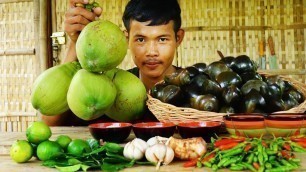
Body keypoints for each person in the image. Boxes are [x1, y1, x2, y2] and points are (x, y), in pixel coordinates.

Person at [42, 0, 185, 126]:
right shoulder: (109, 89)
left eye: (162, 39)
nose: (151, 52)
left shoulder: (197, 88)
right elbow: (50, 119)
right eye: (140, 39)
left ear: (178, 38)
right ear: (126, 39)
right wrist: (77, 42)